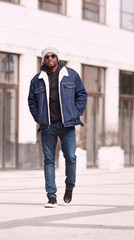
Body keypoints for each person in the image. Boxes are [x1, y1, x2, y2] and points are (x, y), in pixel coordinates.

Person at [28, 47, 87, 208]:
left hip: (67, 124)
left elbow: (82, 94)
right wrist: (39, 118)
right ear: (43, 60)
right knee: (48, 160)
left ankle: (69, 187)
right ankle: (51, 197)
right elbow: (31, 101)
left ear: (57, 58)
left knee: (71, 157)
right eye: (47, 56)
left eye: (53, 55)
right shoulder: (37, 80)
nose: (50, 58)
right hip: (48, 125)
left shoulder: (71, 75)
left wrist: (76, 112)